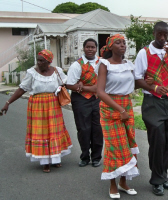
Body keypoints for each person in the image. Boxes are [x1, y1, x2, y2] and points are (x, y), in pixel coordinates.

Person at [134, 21, 168, 196]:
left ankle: (163, 176)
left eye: (165, 34)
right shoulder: (144, 53)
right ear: (154, 33)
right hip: (152, 102)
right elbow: (137, 80)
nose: (162, 38)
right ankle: (157, 180)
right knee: (157, 140)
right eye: (159, 34)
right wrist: (154, 87)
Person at [1, 49, 72, 173]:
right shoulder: (32, 73)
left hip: (53, 105)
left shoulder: (57, 71)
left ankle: (56, 159)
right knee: (42, 133)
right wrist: (8, 103)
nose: (38, 63)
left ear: (49, 61)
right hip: (37, 106)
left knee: (54, 131)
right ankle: (45, 162)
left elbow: (65, 84)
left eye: (42, 61)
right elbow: (21, 89)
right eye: (38, 60)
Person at [97, 34, 139, 199]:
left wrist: (152, 85)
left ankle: (123, 182)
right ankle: (112, 184)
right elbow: (100, 91)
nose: (122, 45)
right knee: (114, 145)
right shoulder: (104, 64)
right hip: (110, 107)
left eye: (124, 43)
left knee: (128, 143)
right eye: (118, 43)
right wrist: (119, 109)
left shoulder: (129, 65)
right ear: (110, 47)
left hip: (126, 105)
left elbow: (135, 83)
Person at [66, 38, 103, 167]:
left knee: (98, 128)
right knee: (83, 128)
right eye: (88, 47)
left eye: (93, 47)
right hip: (81, 99)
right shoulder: (77, 65)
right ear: (83, 48)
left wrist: (85, 86)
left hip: (98, 99)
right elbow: (70, 84)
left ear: (96, 48)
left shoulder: (101, 63)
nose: (90, 49)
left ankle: (97, 157)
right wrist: (88, 88)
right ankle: (85, 156)